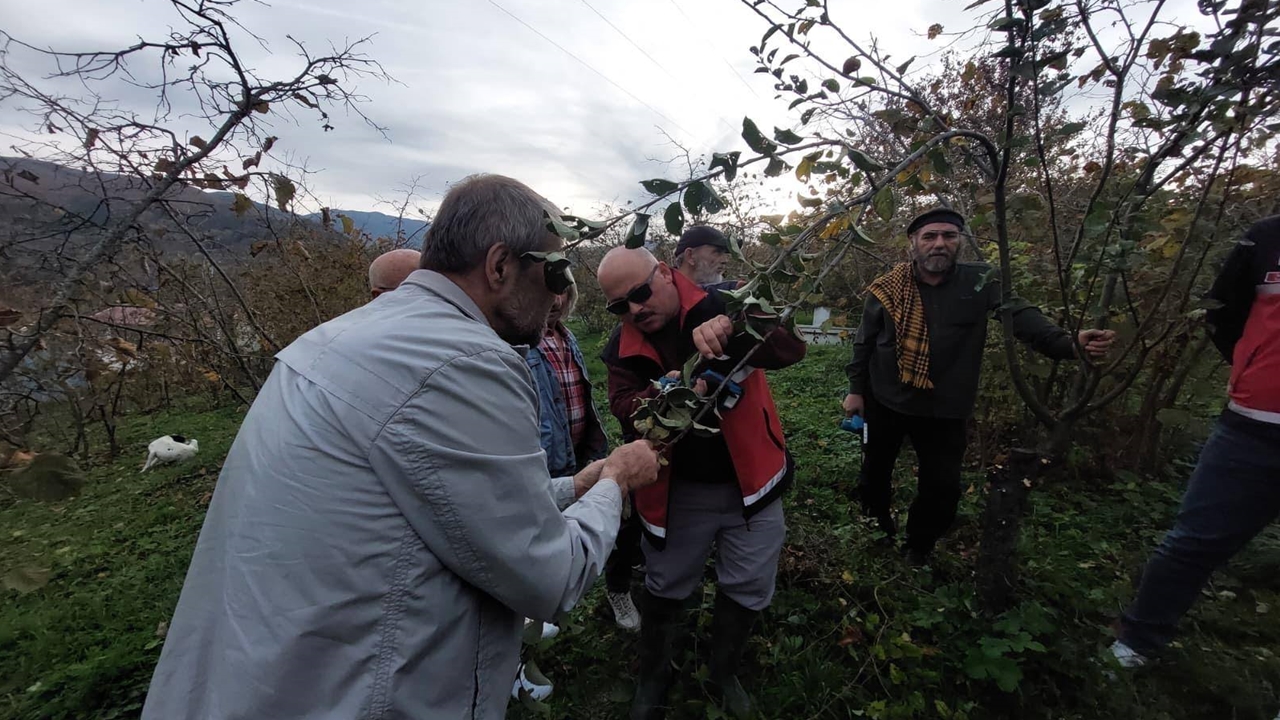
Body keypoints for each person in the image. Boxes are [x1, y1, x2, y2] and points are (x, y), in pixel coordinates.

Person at [141, 174, 661, 720]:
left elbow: (439, 499)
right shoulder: (465, 361)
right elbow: (550, 578)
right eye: (554, 270)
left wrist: (573, 486)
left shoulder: (331, 339)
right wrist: (614, 482)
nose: (560, 293)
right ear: (500, 265)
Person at [599, 246, 807, 720]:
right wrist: (668, 393)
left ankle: (724, 671)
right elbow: (623, 406)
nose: (634, 309)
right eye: (619, 305)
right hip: (676, 490)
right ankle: (653, 674)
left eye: (639, 293)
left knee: (749, 583)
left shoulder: (730, 300)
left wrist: (743, 320)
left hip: (751, 480)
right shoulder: (621, 346)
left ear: (667, 275)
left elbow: (791, 350)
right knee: (666, 584)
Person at [842, 207, 1115, 564]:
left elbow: (1022, 318)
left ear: (960, 242)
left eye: (949, 236)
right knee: (874, 472)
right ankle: (877, 531)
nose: (939, 244)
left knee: (942, 487)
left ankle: (918, 547)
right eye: (929, 237)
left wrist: (1070, 343)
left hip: (945, 407)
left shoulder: (981, 282)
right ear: (913, 243)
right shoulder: (887, 288)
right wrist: (856, 389)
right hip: (885, 399)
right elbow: (865, 342)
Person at [1110, 214, 1280, 668]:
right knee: (1192, 541)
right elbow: (1223, 311)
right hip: (1253, 428)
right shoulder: (1265, 237)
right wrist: (1250, 370)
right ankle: (1136, 644)